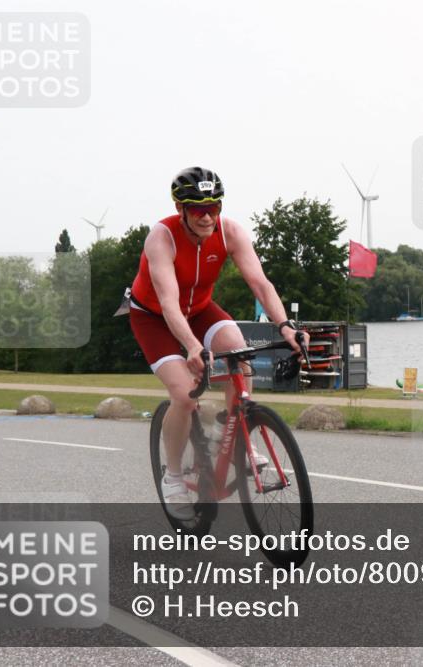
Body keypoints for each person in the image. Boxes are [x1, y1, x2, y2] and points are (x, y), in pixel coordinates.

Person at [129, 166, 306, 519]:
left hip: (200, 309)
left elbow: (260, 284)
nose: (208, 216)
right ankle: (174, 476)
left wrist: (285, 326)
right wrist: (193, 347)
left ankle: (234, 431)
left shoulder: (230, 232)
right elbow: (167, 303)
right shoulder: (160, 239)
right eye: (198, 209)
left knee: (237, 349)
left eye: (214, 207)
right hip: (155, 317)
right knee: (184, 395)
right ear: (181, 209)